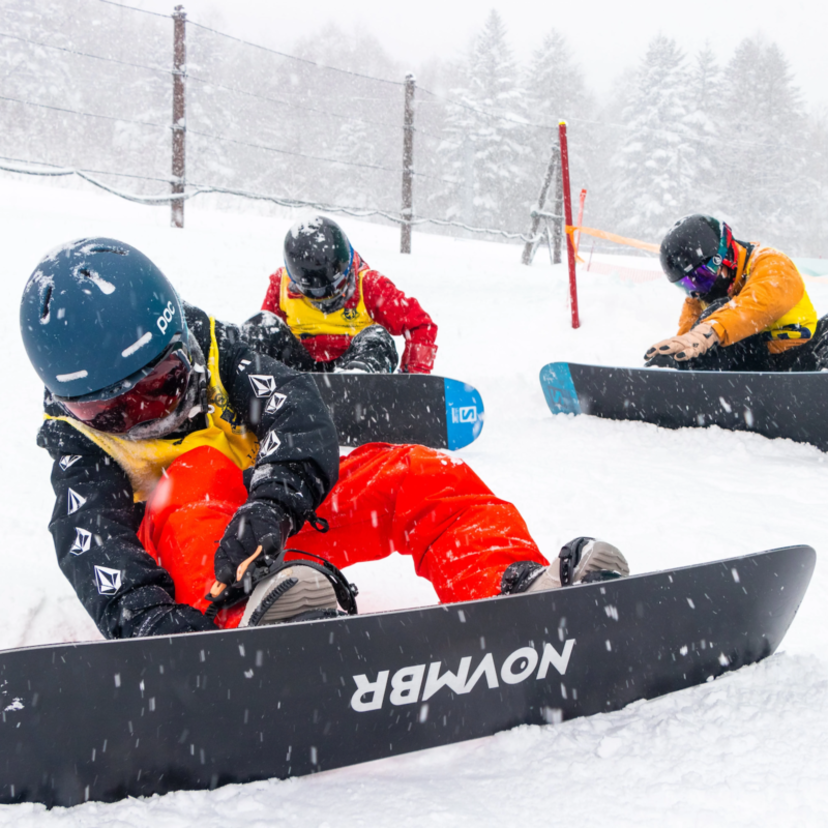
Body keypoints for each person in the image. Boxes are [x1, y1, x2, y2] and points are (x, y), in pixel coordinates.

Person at [21, 238, 628, 641]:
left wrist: (272, 502)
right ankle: (258, 622)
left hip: (276, 522)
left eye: (160, 388)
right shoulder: (77, 445)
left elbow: (300, 411)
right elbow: (90, 539)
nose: (141, 418)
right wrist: (150, 624)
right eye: (110, 411)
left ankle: (510, 584)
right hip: (207, 571)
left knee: (412, 471)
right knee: (195, 473)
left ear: (180, 344)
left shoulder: (219, 349)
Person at [242, 215, 438, 375]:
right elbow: (265, 340)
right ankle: (244, 396)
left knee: (378, 339)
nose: (324, 298)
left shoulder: (370, 285)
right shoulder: (281, 284)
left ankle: (355, 381)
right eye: (313, 293)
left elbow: (420, 325)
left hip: (354, 365)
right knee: (261, 327)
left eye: (333, 288)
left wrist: (414, 376)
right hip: (300, 372)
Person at [645, 214, 827, 371]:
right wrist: (677, 352)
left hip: (796, 363)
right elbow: (689, 339)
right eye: (687, 285)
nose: (697, 292)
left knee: (721, 313)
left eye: (700, 278)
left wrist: (711, 330)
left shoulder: (772, 264)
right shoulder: (699, 297)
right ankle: (679, 384)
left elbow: (756, 305)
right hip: (749, 369)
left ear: (724, 258)